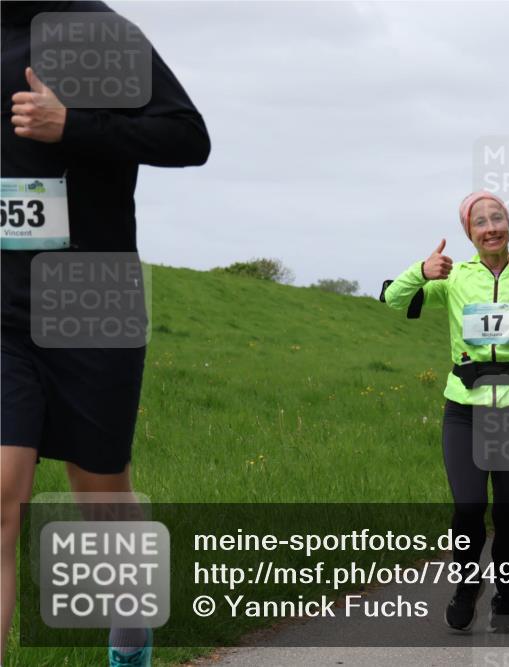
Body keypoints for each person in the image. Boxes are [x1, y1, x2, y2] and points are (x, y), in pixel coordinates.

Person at [1, 4, 210, 664]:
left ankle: (130, 635)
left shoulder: (98, 31)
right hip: (3, 303)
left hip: (91, 295)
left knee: (102, 500)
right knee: (2, 494)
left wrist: (72, 126)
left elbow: (188, 138)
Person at [383, 191, 509, 632]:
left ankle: (505, 597)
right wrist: (420, 271)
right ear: (468, 233)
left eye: (498, 218)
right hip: (465, 410)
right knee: (469, 505)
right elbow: (394, 299)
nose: (491, 227)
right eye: (480, 221)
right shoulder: (455, 277)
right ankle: (467, 584)